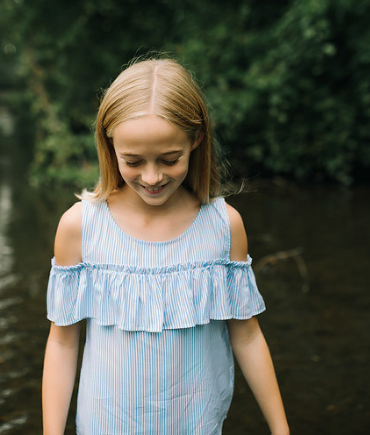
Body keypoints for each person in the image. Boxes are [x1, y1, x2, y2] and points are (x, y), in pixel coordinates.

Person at [42, 57, 289, 435]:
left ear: (196, 139)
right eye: (133, 161)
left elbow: (248, 334)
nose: (152, 177)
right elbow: (62, 343)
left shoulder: (224, 227)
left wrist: (280, 427)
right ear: (110, 146)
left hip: (196, 423)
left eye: (170, 159)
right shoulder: (80, 227)